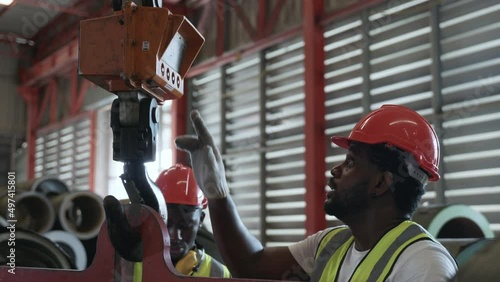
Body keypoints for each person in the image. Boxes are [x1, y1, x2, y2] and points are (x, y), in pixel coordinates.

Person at [175, 105, 458, 281]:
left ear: (381, 184)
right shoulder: (331, 245)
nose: (335, 171)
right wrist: (217, 192)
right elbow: (251, 265)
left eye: (350, 162)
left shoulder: (424, 266)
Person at [134, 164, 231, 280]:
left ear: (201, 219)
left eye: (185, 226)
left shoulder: (219, 275)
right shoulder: (128, 266)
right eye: (166, 224)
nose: (175, 237)